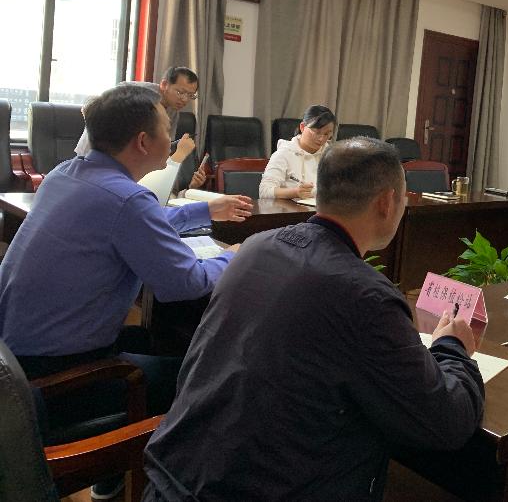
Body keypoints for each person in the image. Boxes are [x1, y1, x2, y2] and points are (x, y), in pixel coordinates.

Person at [143, 137, 485, 501]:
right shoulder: (366, 296)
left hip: (174, 477)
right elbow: (447, 422)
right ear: (387, 202)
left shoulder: (256, 246)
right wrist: (452, 346)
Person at [0, 84, 253, 403]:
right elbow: (186, 283)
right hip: (58, 375)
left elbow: (131, 224)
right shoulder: (128, 200)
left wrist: (204, 210)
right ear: (143, 142)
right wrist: (235, 256)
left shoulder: (64, 174)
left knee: (153, 338)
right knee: (215, 377)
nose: (172, 139)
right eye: (167, 130)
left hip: (13, 355)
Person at [74, 66, 200, 157]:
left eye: (190, 95)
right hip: (97, 149)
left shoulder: (173, 112)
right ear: (164, 85)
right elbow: (98, 103)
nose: (184, 99)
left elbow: (165, 143)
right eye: (180, 92)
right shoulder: (139, 92)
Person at [259, 105, 336, 199]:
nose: (321, 139)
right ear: (302, 127)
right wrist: (294, 192)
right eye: (317, 132)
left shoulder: (331, 155)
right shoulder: (284, 153)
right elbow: (264, 191)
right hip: (291, 207)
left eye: (327, 134)